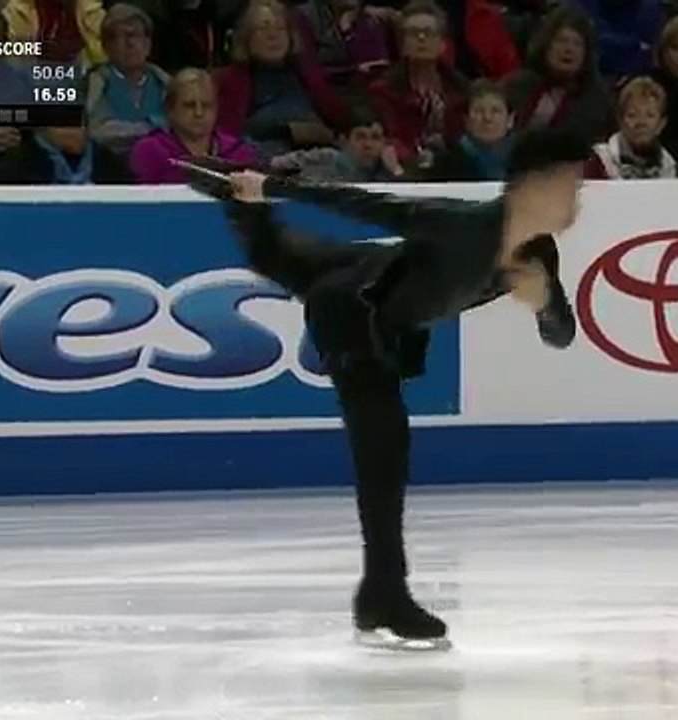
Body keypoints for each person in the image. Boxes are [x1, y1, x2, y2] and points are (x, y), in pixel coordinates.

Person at [179, 127, 590, 650]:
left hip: (370, 286)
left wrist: (544, 302)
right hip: (355, 306)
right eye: (571, 184)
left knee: (283, 260)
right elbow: (362, 202)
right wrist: (270, 189)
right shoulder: (461, 226)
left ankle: (240, 206)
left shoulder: (539, 254)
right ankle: (384, 592)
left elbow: (562, 335)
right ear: (534, 185)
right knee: (384, 440)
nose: (577, 197)